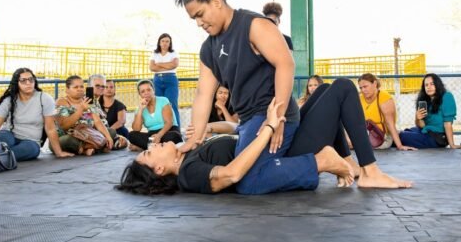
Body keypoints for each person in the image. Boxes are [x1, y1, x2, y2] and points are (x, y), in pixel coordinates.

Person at [116, 78, 413, 195]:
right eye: (149, 152)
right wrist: (269, 127)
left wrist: (209, 128)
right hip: (279, 153)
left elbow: (234, 133)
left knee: (324, 90)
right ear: (159, 169)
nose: (155, 145)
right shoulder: (188, 174)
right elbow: (231, 174)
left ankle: (350, 163)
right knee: (344, 89)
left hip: (276, 147)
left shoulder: (188, 153)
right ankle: (368, 171)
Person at [173, 0, 307, 195]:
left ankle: (321, 161)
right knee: (238, 171)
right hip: (246, 121)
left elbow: (285, 64)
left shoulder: (254, 25)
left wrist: (278, 118)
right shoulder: (208, 49)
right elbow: (203, 94)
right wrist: (194, 139)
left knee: (247, 182)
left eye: (200, 15)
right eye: (194, 18)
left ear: (216, 2)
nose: (199, 23)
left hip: (271, 113)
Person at [0, 68, 73, 161]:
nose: (28, 83)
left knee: (30, 150)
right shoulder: (9, 100)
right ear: (17, 83)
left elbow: (50, 128)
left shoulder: (45, 98)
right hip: (9, 134)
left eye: (31, 79)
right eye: (23, 80)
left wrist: (59, 152)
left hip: (31, 141)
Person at [55, 75, 115, 155]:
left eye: (81, 86)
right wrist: (81, 110)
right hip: (70, 136)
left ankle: (91, 147)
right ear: (67, 90)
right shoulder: (62, 102)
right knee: (66, 140)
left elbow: (97, 122)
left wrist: (108, 137)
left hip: (88, 135)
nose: (79, 89)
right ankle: (91, 147)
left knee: (111, 131)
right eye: (76, 87)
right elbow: (64, 125)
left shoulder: (87, 100)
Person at [358, 73, 415, 151]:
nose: (363, 90)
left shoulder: (384, 98)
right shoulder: (360, 98)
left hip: (382, 137)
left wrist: (400, 146)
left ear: (374, 84)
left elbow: (390, 123)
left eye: (365, 86)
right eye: (361, 88)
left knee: (351, 144)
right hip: (365, 133)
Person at [398, 73, 458, 149]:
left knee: (402, 136)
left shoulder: (447, 96)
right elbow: (422, 126)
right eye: (426, 85)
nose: (429, 87)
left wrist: (452, 144)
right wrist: (418, 118)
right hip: (427, 131)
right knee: (406, 131)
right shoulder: (425, 100)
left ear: (438, 85)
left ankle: (395, 140)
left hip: (438, 137)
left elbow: (447, 124)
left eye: (432, 84)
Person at [128, 79, 182, 151]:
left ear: (153, 90)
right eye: (143, 91)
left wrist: (159, 135)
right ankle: (159, 147)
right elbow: (136, 129)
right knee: (132, 135)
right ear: (140, 94)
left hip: (168, 130)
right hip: (152, 135)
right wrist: (140, 110)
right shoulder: (140, 108)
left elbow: (169, 123)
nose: (146, 93)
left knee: (174, 136)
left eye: (149, 90)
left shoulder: (163, 100)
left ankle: (149, 147)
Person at [149, 33, 181, 127]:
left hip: (170, 80)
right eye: (162, 41)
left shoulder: (173, 53)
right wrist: (167, 65)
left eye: (167, 41)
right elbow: (152, 67)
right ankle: (161, 128)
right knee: (158, 105)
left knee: (172, 104)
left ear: (170, 43)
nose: (165, 43)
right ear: (159, 42)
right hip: (157, 81)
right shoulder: (155, 54)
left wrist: (159, 64)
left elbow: (174, 65)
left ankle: (176, 128)